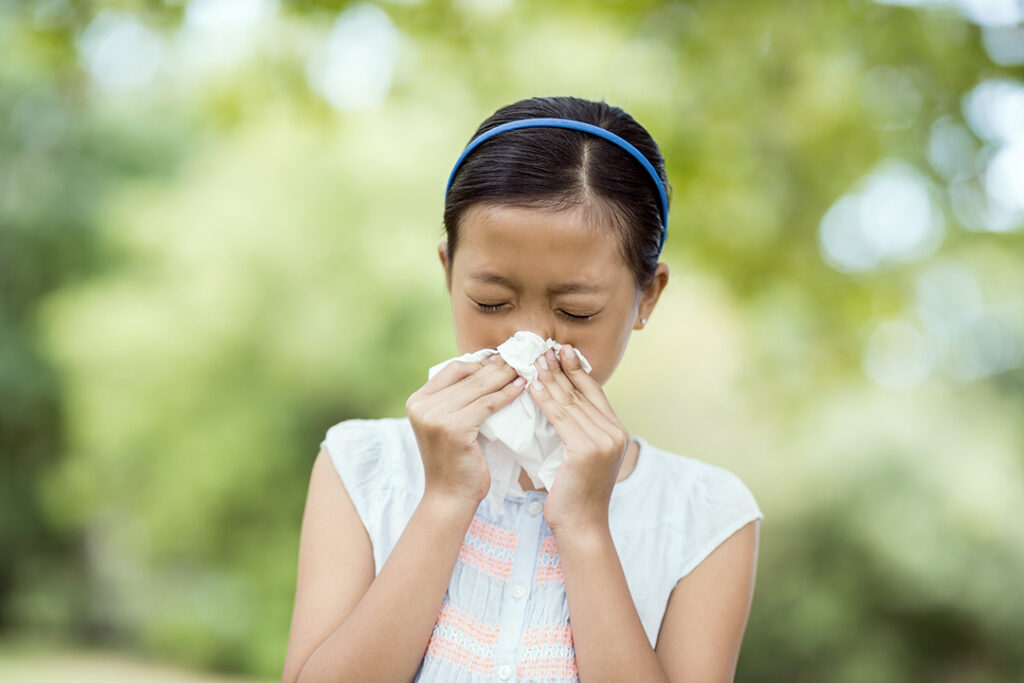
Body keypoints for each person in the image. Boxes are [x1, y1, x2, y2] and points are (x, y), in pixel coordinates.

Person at [282, 96, 763, 683]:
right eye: (491, 302)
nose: (530, 339)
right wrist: (444, 501)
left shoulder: (708, 516)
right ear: (447, 273)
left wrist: (585, 526)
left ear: (648, 297)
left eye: (576, 310)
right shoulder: (360, 467)